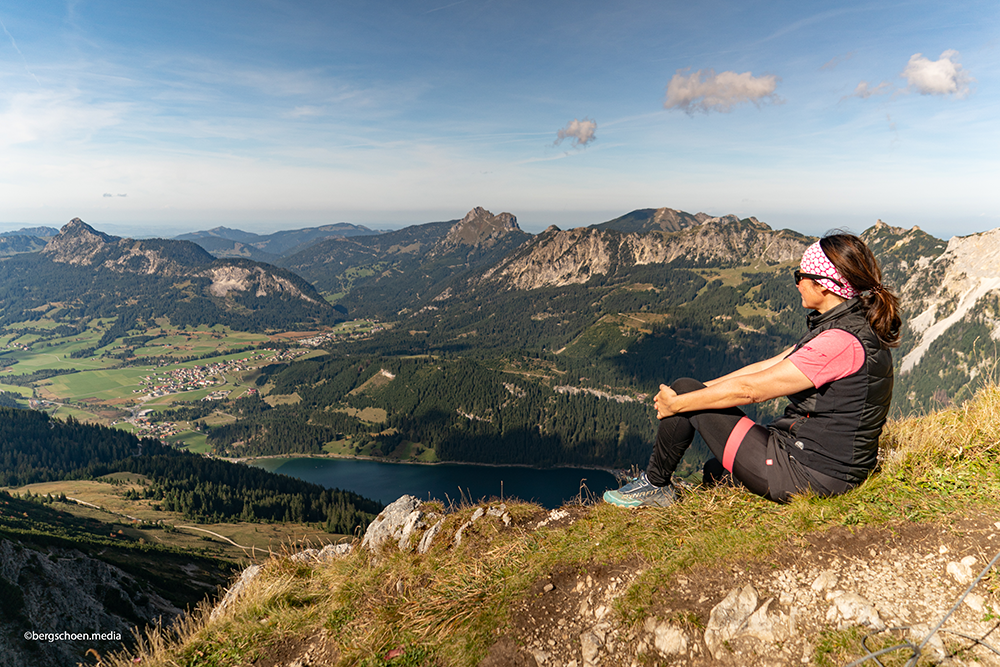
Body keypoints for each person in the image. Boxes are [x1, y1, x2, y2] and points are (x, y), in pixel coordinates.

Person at [604, 233, 901, 507]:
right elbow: (769, 365)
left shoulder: (839, 341)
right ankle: (668, 481)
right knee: (714, 470)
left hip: (812, 474)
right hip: (826, 466)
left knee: (684, 389)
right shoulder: (849, 325)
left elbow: (752, 391)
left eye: (800, 276)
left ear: (823, 284)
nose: (797, 283)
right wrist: (701, 388)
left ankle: (654, 486)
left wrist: (680, 402)